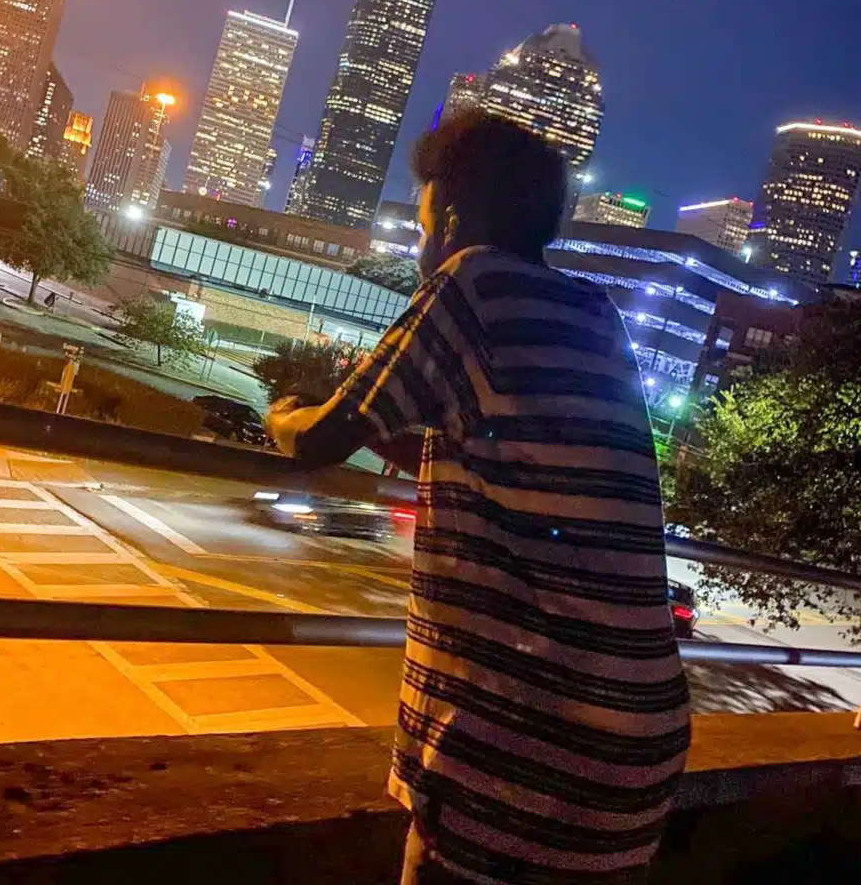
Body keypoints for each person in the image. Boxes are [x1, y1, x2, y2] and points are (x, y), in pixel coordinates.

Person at [267, 112, 690, 884]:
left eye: (424, 226)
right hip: (635, 758)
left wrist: (282, 412)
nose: (420, 248)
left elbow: (321, 439)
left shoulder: (470, 283)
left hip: (521, 746)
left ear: (453, 220)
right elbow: (517, 457)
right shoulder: (594, 313)